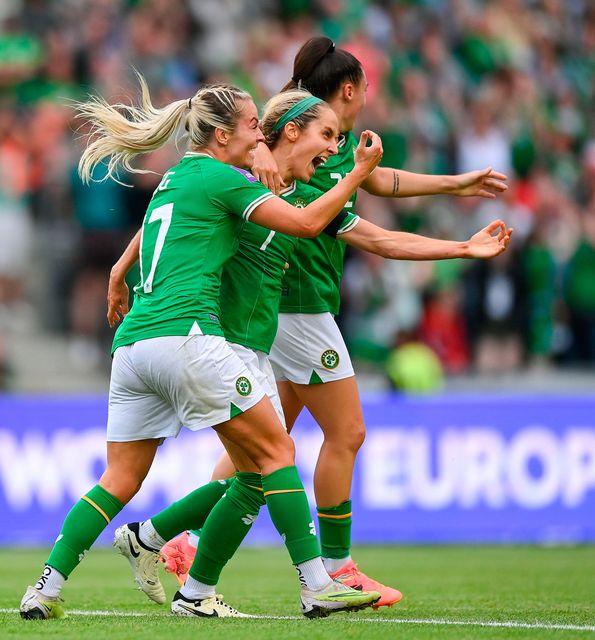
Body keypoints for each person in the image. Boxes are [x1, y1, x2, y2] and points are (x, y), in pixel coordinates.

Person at [107, 89, 511, 607]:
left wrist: (461, 247)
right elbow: (181, 207)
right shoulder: (243, 176)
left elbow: (382, 239)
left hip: (252, 339)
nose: (334, 149)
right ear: (289, 131)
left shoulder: (297, 185)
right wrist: (122, 267)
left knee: (257, 471)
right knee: (304, 447)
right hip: (233, 335)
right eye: (327, 136)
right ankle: (324, 574)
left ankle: (173, 558)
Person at [19, 78, 385, 621]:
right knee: (276, 453)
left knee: (119, 478)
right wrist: (358, 171)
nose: (259, 136)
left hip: (132, 345)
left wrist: (120, 271)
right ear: (219, 135)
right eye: (251, 127)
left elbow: (153, 233)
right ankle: (316, 585)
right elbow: (309, 223)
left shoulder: (174, 178)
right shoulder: (223, 179)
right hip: (188, 337)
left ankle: (45, 589)